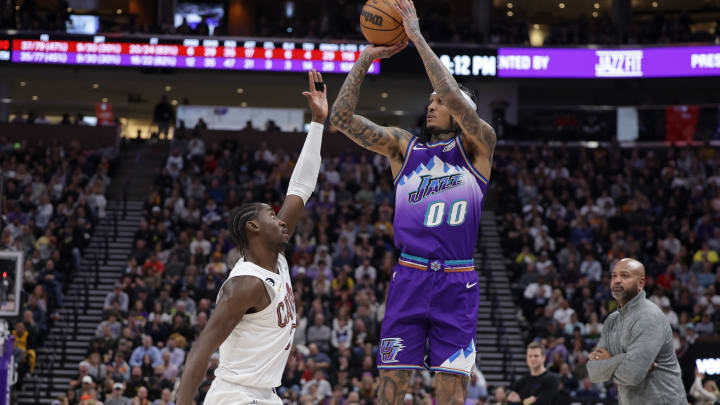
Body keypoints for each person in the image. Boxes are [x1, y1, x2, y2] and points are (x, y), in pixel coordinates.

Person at [329, 0, 496, 403]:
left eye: (439, 101)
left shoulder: (480, 147)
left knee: (451, 391)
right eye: (430, 100)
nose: (432, 104)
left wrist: (416, 35)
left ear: (462, 111)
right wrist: (365, 59)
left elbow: (453, 96)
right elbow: (341, 119)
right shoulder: (405, 149)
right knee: (390, 390)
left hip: (458, 281)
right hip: (410, 277)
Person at [176, 70, 328, 405]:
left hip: (264, 396)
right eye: (273, 216)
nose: (282, 220)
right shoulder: (245, 283)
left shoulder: (277, 258)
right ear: (253, 228)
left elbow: (301, 188)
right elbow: (201, 351)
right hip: (235, 397)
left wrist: (317, 123)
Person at [586, 258, 685, 404]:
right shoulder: (611, 321)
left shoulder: (648, 317)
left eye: (625, 275)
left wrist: (609, 362)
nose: (617, 280)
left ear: (641, 283)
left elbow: (632, 374)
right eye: (614, 276)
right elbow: (593, 372)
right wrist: (624, 359)